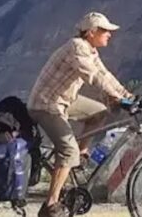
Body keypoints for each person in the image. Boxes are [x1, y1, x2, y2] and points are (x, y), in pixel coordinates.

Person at [27, 12, 134, 217]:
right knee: (68, 151)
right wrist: (119, 98)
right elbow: (92, 76)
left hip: (66, 100)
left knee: (99, 113)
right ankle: (50, 204)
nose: (109, 35)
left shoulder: (91, 50)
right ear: (92, 32)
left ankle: (82, 155)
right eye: (105, 31)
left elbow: (105, 74)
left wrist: (126, 94)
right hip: (46, 104)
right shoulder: (77, 47)